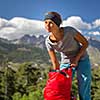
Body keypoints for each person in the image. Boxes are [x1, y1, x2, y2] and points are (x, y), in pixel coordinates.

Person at [44, 11, 91, 100]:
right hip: (66, 61)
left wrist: (76, 59)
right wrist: (56, 77)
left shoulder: (70, 31)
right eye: (45, 22)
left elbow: (85, 43)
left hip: (82, 58)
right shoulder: (48, 42)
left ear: (57, 24)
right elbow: (55, 62)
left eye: (51, 23)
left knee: (84, 84)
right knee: (61, 85)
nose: (47, 25)